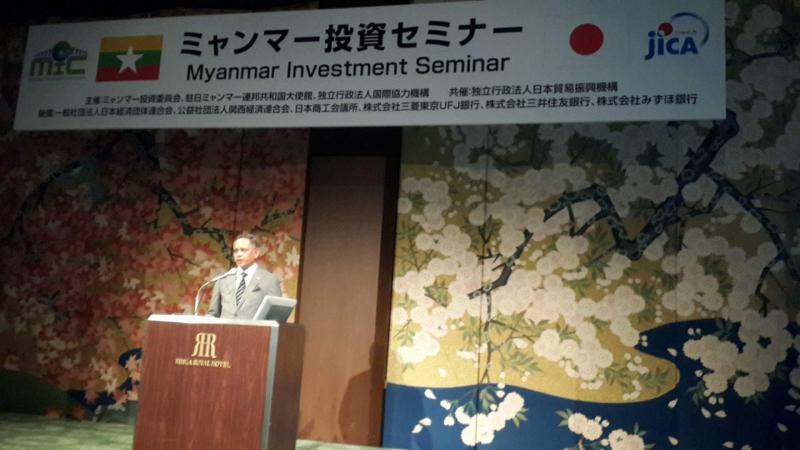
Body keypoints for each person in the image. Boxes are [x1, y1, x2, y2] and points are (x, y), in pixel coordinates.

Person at [207, 232, 282, 319]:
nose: (238, 254)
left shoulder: (269, 280)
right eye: (236, 251)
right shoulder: (223, 279)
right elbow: (213, 314)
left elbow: (275, 316)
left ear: (256, 253)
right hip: (224, 327)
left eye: (243, 250)